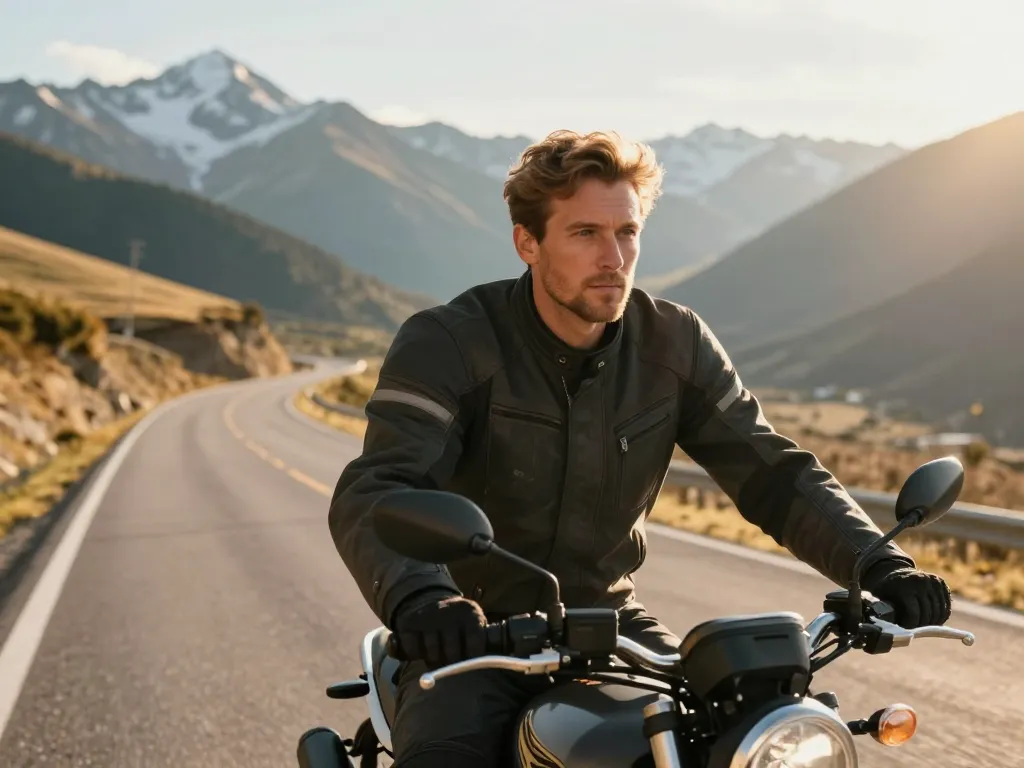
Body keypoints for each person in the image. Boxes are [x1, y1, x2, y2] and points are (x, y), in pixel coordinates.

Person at [328, 129, 952, 767]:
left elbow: (771, 472)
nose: (613, 256)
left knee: (736, 734)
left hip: (613, 624)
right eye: (585, 234)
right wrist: (425, 599)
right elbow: (381, 486)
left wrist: (880, 565)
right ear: (528, 243)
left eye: (626, 233)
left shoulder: (673, 343)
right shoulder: (450, 343)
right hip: (473, 636)